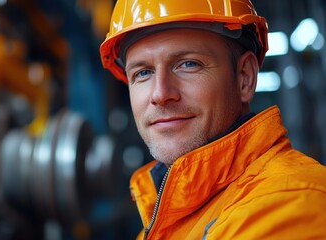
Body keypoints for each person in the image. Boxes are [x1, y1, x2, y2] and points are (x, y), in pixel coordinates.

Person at [100, 0, 326, 239]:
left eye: (188, 64)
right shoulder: (166, 220)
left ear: (244, 78)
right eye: (143, 72)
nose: (160, 94)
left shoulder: (290, 205)